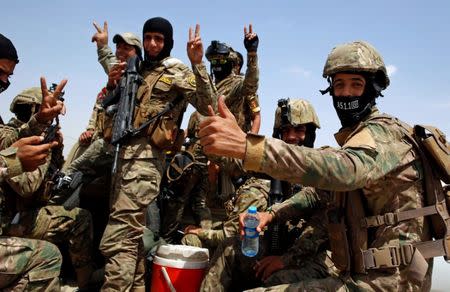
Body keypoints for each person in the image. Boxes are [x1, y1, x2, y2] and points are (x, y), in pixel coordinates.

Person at [199, 41, 434, 291]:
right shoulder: (356, 139)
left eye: (356, 84)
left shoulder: (384, 134)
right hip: (360, 274)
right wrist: (272, 214)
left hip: (390, 283)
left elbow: (344, 172)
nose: (345, 94)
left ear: (373, 88)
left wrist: (250, 147)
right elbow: (316, 193)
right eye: (339, 85)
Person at [98, 17, 216, 291]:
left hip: (146, 164)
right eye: (148, 37)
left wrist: (198, 63)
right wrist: (106, 60)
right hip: (123, 159)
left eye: (159, 39)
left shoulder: (175, 70)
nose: (152, 44)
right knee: (132, 238)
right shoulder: (137, 69)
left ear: (168, 43)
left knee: (118, 237)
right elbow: (111, 72)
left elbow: (207, 104)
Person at [200, 99, 337, 291]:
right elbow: (237, 163)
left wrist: (284, 260)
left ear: (311, 133)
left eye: (298, 130)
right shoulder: (279, 168)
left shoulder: (323, 168)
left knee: (275, 280)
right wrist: (218, 140)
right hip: (283, 247)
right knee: (229, 248)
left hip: (316, 256)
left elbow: (319, 231)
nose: (290, 137)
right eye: (285, 131)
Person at [1, 86, 100, 290]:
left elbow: (50, 185)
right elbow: (27, 187)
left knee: (80, 219)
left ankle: (83, 282)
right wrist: (44, 150)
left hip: (21, 214)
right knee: (48, 255)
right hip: (10, 221)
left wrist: (56, 150)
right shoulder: (9, 136)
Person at [0, 32, 63, 292]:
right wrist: (18, 161)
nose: (4, 81)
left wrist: (42, 124)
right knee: (47, 257)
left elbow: (9, 143)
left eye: (8, 76)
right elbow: (25, 183)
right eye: (0, 72)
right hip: (14, 220)